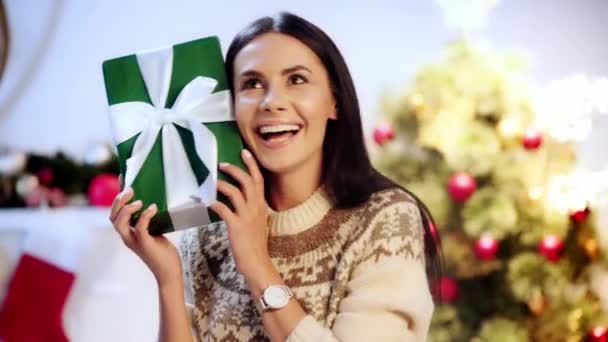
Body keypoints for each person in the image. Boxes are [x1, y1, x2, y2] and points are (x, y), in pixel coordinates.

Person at [110, 11, 442, 342]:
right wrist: (168, 280)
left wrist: (256, 262)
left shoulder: (384, 218)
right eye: (252, 84)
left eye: (296, 79)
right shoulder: (209, 234)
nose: (272, 102)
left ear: (334, 102)